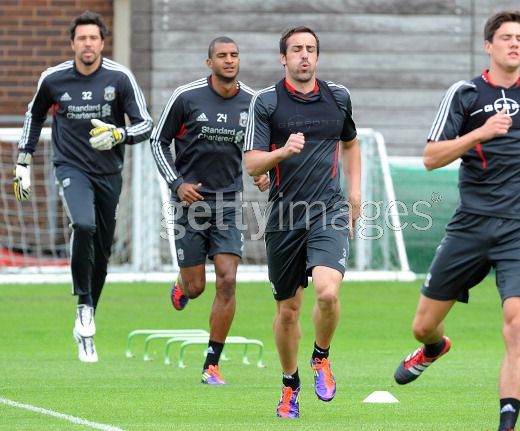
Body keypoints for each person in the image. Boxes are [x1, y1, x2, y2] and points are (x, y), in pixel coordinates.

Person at [393, 10, 520, 431]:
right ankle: (434, 348)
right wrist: (480, 132)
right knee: (423, 325)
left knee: (518, 324)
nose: (514, 44)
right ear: (488, 46)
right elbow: (430, 158)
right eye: (506, 38)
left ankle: (507, 425)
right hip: (472, 226)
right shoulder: (466, 94)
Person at [13, 10, 152, 363]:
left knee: (102, 254)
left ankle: (87, 321)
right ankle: (83, 305)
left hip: (109, 172)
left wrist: (119, 134)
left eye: (93, 38)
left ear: (102, 43)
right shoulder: (53, 78)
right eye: (81, 38)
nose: (87, 44)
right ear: (73, 43)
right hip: (70, 167)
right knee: (83, 224)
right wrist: (23, 161)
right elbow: (34, 116)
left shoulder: (120, 78)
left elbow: (145, 124)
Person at [243, 26, 361, 418]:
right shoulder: (266, 102)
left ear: (317, 56)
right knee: (288, 311)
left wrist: (355, 193)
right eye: (296, 49)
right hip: (284, 217)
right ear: (283, 57)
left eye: (310, 49)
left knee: (328, 292)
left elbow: (350, 144)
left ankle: (321, 357)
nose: (304, 55)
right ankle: (289, 384)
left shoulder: (338, 97)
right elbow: (252, 163)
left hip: (329, 210)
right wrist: (282, 152)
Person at [150, 36, 268, 385]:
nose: (229, 60)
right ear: (209, 63)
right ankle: (182, 284)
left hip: (229, 202)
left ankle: (212, 364)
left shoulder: (253, 102)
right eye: (222, 55)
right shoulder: (186, 97)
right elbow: (158, 141)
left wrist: (264, 172)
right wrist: (177, 184)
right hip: (190, 202)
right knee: (196, 287)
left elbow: (264, 147)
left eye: (234, 55)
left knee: (228, 280)